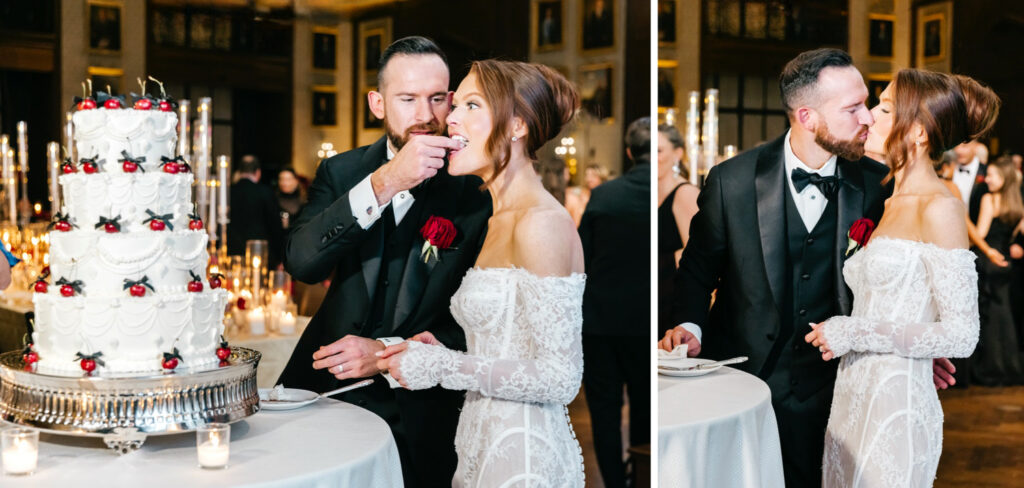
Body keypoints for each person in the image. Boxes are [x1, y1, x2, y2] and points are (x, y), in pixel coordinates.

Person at [659, 48, 906, 486]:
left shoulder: (876, 184)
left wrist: (917, 343)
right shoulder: (731, 181)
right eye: (852, 108)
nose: (868, 118)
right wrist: (689, 329)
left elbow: (895, 281)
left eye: (866, 103)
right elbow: (697, 271)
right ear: (807, 117)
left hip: (838, 386)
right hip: (743, 380)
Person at [276, 36, 491, 487]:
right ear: (378, 103)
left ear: (451, 100)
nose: (424, 115)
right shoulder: (341, 172)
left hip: (426, 404)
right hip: (328, 388)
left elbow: (487, 314)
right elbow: (302, 263)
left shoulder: (474, 188)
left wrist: (389, 351)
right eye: (407, 99)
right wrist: (386, 181)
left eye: (437, 98)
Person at [376, 59, 586, 487]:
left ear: (517, 126)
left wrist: (442, 366)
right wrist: (449, 351)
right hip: (479, 441)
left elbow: (561, 378)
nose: (450, 117)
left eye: (471, 105)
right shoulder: (496, 218)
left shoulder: (540, 222)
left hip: (523, 454)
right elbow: (510, 343)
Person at [805, 69, 997, 487]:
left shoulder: (940, 207)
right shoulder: (888, 199)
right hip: (852, 395)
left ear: (920, 134)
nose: (870, 117)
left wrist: (854, 332)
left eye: (886, 108)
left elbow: (963, 335)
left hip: (896, 404)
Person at [578, 118, 652, 488]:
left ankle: (613, 482)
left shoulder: (604, 195)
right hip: (646, 323)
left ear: (628, 153)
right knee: (645, 407)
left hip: (600, 322)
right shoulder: (667, 194)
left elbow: (582, 259)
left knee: (604, 413)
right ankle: (642, 476)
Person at [971, 156, 1024, 386]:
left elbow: (981, 234)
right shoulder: (1017, 203)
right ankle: (1009, 367)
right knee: (1005, 316)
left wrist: (964, 226)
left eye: (993, 175)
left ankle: (992, 369)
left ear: (1004, 178)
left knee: (990, 318)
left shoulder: (989, 200)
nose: (988, 179)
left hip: (989, 262)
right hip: (1006, 264)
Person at [657, 124, 699, 335]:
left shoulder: (685, 193)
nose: (654, 157)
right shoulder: (650, 194)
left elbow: (696, 253)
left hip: (672, 298)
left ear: (678, 153)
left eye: (659, 150)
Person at [226, 155, 285, 267]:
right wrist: (279, 257)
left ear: (239, 172)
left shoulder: (228, 192)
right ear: (258, 172)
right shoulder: (265, 193)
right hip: (260, 254)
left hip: (233, 254)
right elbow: (275, 227)